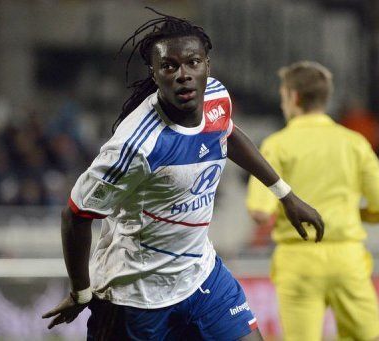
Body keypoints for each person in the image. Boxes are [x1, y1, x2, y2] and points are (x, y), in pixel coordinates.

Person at [43, 10, 324, 340]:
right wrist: (81, 292)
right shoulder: (136, 146)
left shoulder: (217, 98)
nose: (183, 74)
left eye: (193, 63)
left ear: (208, 65)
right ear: (155, 73)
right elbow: (75, 214)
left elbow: (227, 134)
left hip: (201, 277)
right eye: (170, 66)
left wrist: (284, 194)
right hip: (136, 295)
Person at [246, 61, 379, 341]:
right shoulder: (355, 143)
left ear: (293, 97)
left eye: (283, 98)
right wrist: (352, 215)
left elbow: (258, 212)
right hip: (347, 258)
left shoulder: (276, 145)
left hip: (298, 260)